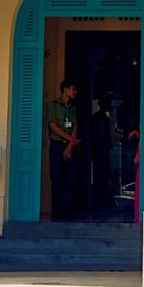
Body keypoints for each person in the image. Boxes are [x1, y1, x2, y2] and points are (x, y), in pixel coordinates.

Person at [46, 79, 80, 219]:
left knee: (68, 178)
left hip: (69, 147)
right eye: (73, 89)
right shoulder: (53, 106)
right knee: (56, 178)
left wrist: (70, 145)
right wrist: (70, 139)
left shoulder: (73, 108)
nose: (75, 92)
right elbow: (53, 126)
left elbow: (75, 126)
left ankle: (65, 210)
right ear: (65, 90)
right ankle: (56, 212)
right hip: (57, 145)